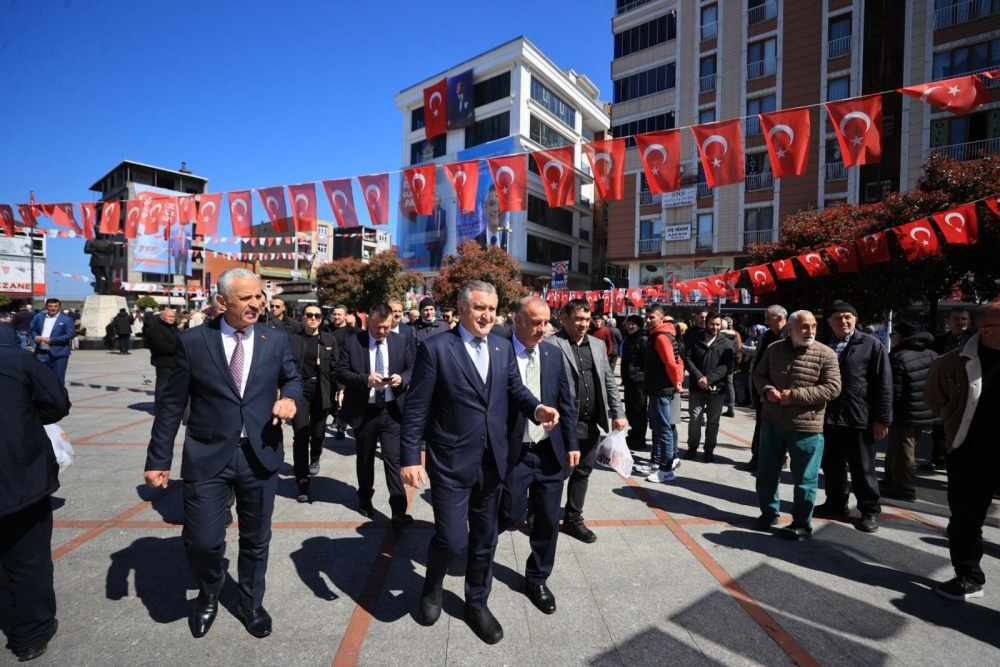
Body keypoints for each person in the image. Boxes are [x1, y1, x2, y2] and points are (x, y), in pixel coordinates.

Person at [143, 268, 301, 640]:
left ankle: (250, 601)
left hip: (260, 454)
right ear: (222, 302)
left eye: (259, 296)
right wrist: (158, 460)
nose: (256, 303)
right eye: (246, 298)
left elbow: (292, 378)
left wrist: (290, 398)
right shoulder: (194, 341)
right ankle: (210, 589)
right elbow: (171, 405)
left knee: (256, 538)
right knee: (202, 540)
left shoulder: (274, 339)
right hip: (207, 454)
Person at [399, 281, 560, 644]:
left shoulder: (502, 348)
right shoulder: (436, 348)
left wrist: (537, 408)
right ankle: (432, 585)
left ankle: (477, 602)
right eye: (479, 308)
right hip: (450, 461)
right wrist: (410, 457)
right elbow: (416, 410)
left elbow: (515, 389)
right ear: (461, 308)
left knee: (486, 538)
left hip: (494, 463)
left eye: (492, 308)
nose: (487, 315)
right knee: (453, 538)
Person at [498, 296, 578, 615]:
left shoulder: (553, 353)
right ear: (518, 320)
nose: (543, 328)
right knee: (508, 513)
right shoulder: (498, 351)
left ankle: (537, 578)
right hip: (512, 452)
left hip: (548, 451)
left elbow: (566, 402)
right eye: (535, 322)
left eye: (546, 321)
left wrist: (571, 443)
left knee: (546, 519)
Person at [0, 323, 71, 662]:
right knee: (28, 558)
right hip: (19, 476)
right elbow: (57, 404)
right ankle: (31, 634)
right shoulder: (17, 359)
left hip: (18, 477)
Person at [923, 303, 1000, 601]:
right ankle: (968, 576)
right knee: (966, 519)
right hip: (969, 453)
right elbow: (932, 398)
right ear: (987, 330)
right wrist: (953, 417)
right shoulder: (952, 362)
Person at [752, 310, 842, 540]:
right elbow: (759, 375)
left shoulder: (826, 354)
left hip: (806, 427)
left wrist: (796, 396)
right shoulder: (774, 349)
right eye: (804, 326)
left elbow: (833, 388)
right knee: (766, 473)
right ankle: (768, 513)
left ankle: (802, 523)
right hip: (772, 421)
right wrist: (767, 390)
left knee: (805, 479)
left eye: (813, 326)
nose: (810, 331)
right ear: (790, 328)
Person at [549, 299, 627, 543]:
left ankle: (573, 518)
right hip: (562, 424)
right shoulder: (551, 344)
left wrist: (618, 411)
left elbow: (608, 380)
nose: (583, 324)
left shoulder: (596, 344)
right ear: (565, 318)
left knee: (583, 472)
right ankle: (540, 513)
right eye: (578, 319)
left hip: (591, 422)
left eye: (586, 318)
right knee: (557, 473)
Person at [815, 301, 892, 534]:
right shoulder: (820, 344)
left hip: (859, 417)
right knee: (832, 465)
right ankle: (836, 503)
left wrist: (883, 419)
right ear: (829, 321)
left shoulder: (871, 344)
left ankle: (869, 510)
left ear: (856, 320)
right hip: (827, 417)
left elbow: (884, 383)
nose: (843, 321)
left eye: (848, 316)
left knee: (863, 467)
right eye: (837, 317)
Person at [337, 303, 413, 525]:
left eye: (387, 327)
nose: (382, 332)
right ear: (368, 321)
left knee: (393, 459)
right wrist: (365, 380)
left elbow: (412, 368)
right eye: (378, 327)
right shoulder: (353, 342)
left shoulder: (400, 341)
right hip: (365, 409)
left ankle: (398, 510)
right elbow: (341, 373)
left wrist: (402, 379)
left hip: (391, 410)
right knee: (365, 458)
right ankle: (364, 498)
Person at [881, 320, 938, 502]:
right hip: (925, 410)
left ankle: (904, 488)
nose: (892, 338)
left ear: (900, 337)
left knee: (904, 452)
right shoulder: (933, 355)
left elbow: (893, 390)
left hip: (904, 412)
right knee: (897, 449)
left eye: (893, 335)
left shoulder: (898, 356)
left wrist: (885, 414)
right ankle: (891, 480)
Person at [288, 305, 338, 503]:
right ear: (303, 317)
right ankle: (302, 479)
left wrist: (340, 390)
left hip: (322, 391)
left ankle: (315, 455)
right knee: (301, 433)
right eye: (310, 315)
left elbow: (335, 368)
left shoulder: (328, 340)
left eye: (317, 315)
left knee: (317, 431)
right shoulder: (292, 339)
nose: (313, 318)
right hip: (300, 390)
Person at [923, 307, 975, 472]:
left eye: (964, 319)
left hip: (966, 389)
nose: (960, 322)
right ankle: (938, 458)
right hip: (944, 388)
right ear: (948, 322)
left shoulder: (975, 341)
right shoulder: (939, 341)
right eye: (956, 319)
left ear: (970, 321)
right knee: (940, 426)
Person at [636, 306, 684, 482]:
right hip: (658, 389)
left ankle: (666, 469)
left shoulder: (662, 337)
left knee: (663, 430)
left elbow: (672, 363)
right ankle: (657, 462)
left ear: (661, 318)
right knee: (658, 428)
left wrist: (676, 382)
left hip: (662, 390)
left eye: (652, 317)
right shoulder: (659, 335)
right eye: (647, 317)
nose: (648, 320)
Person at [683, 311, 735, 463]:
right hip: (697, 387)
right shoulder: (694, 339)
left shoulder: (727, 342)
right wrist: (699, 378)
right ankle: (692, 447)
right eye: (712, 324)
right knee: (695, 419)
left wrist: (710, 379)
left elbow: (727, 366)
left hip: (717, 389)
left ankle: (709, 450)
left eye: (717, 324)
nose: (714, 327)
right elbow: (687, 359)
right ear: (706, 323)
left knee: (713, 421)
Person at [744, 306, 788, 473]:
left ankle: (781, 457)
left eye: (768, 317)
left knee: (781, 427)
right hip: (764, 388)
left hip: (783, 391)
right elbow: (759, 361)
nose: (765, 321)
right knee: (761, 425)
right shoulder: (766, 336)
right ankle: (757, 457)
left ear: (779, 318)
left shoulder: (790, 335)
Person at [323, 304, 357, 440]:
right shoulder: (326, 329)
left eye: (339, 314)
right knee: (330, 400)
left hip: (345, 369)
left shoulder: (351, 331)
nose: (336, 317)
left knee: (342, 400)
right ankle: (336, 417)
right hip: (328, 369)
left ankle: (341, 428)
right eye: (334, 314)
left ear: (345, 316)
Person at [29, 298, 76, 386]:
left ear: (59, 307)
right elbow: (33, 330)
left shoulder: (66, 319)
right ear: (46, 307)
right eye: (50, 306)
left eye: (55, 306)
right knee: (39, 377)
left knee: (57, 379)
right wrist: (35, 336)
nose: (53, 308)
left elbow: (71, 334)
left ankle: (59, 398)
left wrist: (52, 340)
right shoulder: (40, 318)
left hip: (59, 354)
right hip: (41, 353)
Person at [619, 315, 649, 451]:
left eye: (633, 324)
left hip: (639, 382)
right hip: (629, 381)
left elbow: (647, 361)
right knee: (630, 410)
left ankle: (639, 438)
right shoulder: (628, 338)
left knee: (639, 411)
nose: (630, 326)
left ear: (639, 325)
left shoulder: (642, 339)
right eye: (628, 324)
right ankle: (633, 435)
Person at [145, 308, 179, 411]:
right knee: (163, 386)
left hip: (175, 362)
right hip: (163, 362)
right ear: (162, 316)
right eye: (169, 316)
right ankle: (159, 409)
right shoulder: (155, 328)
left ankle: (171, 407)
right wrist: (178, 349)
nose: (172, 319)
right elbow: (160, 345)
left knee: (174, 386)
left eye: (173, 316)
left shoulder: (173, 327)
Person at [720, 317, 743, 417]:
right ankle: (731, 407)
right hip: (730, 366)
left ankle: (715, 406)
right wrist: (736, 365)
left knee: (718, 386)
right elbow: (737, 351)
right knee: (730, 387)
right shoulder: (735, 336)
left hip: (719, 366)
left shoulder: (718, 336)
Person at [475, 186, 507, 250]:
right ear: (485, 208)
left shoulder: (510, 240)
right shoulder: (475, 243)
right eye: (492, 204)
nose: (496, 209)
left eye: (500, 204)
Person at [424, 195, 448, 271]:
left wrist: (445, 240)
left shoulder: (444, 212)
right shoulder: (430, 213)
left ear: (440, 202)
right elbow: (427, 228)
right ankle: (431, 275)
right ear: (434, 203)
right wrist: (426, 242)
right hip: (432, 240)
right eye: (436, 201)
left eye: (438, 201)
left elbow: (445, 227)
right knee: (432, 259)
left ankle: (438, 276)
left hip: (440, 240)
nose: (437, 203)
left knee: (439, 259)